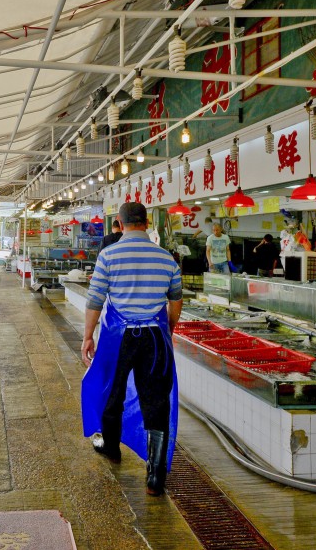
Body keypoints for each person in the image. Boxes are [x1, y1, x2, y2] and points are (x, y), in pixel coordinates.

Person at [80, 202, 183, 496]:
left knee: (112, 391)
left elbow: (95, 300)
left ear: (121, 224)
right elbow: (175, 300)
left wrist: (88, 335)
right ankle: (155, 476)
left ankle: (111, 448)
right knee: (156, 400)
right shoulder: (166, 258)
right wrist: (168, 330)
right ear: (146, 223)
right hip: (154, 338)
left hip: (118, 337)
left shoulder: (108, 255)